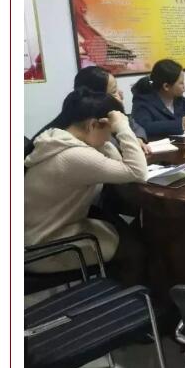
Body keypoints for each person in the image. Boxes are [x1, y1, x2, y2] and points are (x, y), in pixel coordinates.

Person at [24, 88, 148, 286]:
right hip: (47, 248)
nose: (110, 137)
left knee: (125, 230)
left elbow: (120, 167)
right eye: (110, 132)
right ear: (93, 124)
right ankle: (131, 298)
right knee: (135, 249)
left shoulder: (58, 139)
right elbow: (137, 172)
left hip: (47, 232)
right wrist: (123, 128)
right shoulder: (74, 156)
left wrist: (103, 140)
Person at [131, 59, 185, 139]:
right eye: (181, 83)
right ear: (166, 86)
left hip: (183, 144)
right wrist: (181, 124)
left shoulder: (179, 99)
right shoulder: (143, 101)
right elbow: (145, 127)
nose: (184, 86)